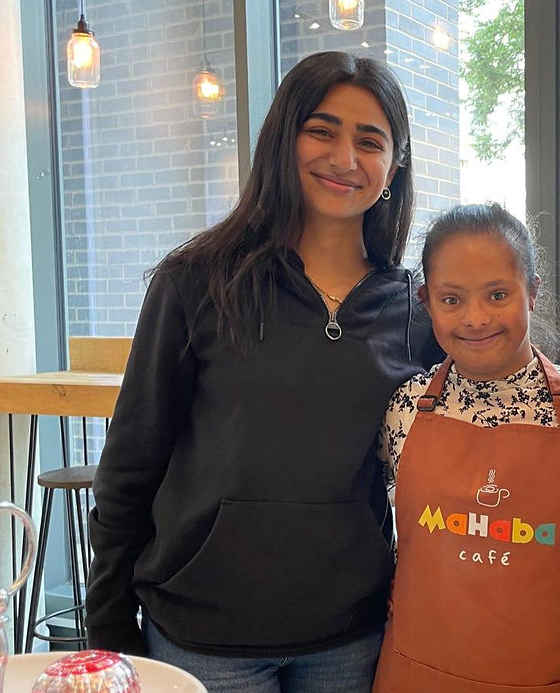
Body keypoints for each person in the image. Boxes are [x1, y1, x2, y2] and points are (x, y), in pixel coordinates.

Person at [86, 51, 441, 692]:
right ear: (283, 139)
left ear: (395, 166)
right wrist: (108, 624)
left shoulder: (415, 307)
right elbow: (132, 464)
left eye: (370, 141)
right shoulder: (196, 282)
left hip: (351, 635)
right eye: (322, 130)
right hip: (203, 638)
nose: (344, 158)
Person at [371, 203, 560, 692]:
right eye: (451, 300)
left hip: (548, 679)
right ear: (426, 301)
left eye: (497, 294)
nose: (475, 319)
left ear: (532, 293)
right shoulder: (405, 408)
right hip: (416, 674)